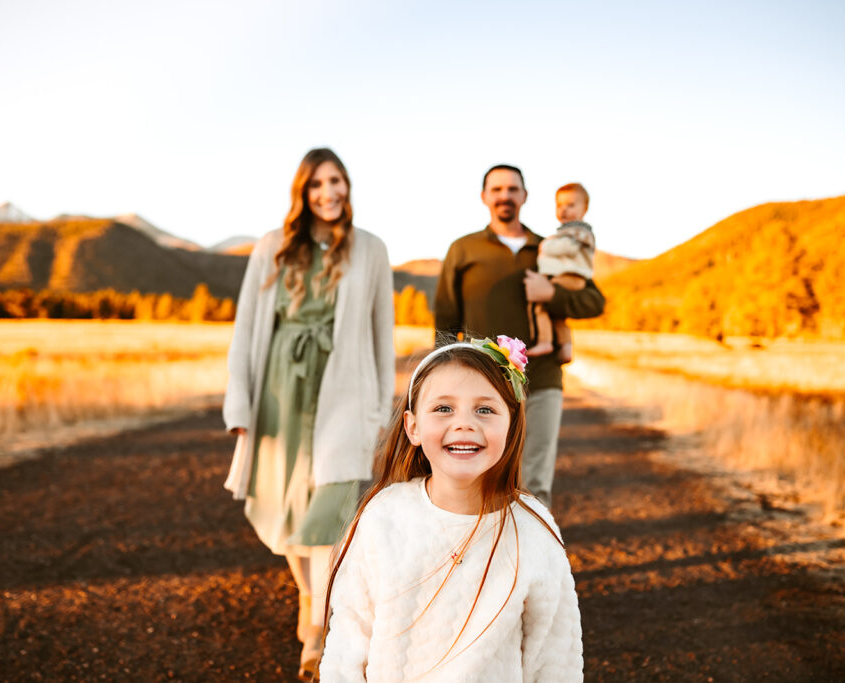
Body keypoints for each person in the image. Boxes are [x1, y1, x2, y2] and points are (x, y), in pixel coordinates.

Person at [222, 147, 395, 680]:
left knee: (329, 513)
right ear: (303, 191)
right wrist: (242, 402)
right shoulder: (272, 247)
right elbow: (248, 324)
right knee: (285, 512)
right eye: (318, 183)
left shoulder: (370, 249)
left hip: (343, 390)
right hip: (280, 392)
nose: (329, 192)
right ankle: (306, 593)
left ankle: (318, 632)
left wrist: (379, 409)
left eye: (337, 181)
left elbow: (381, 334)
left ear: (348, 187)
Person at [320, 337, 583, 681]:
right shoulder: (384, 517)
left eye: (485, 410)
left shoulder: (533, 531)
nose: (464, 423)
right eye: (444, 408)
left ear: (512, 424)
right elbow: (348, 645)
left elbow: (555, 658)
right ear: (413, 427)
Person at [435, 164, 605, 507]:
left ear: (524, 196)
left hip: (541, 382)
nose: (504, 196)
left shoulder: (550, 249)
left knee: (535, 486)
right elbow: (444, 325)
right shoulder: (463, 250)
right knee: (480, 481)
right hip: (479, 387)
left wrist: (551, 294)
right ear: (484, 197)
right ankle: (483, 558)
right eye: (496, 189)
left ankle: (532, 560)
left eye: (512, 189)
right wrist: (444, 386)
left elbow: (594, 301)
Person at [527, 183, 596, 362]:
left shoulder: (578, 231)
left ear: (584, 209)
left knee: (539, 305)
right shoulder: (570, 231)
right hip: (570, 276)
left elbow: (568, 248)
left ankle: (545, 341)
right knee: (557, 314)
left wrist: (546, 246)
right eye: (560, 205)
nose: (564, 210)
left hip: (570, 276)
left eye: (571, 205)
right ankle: (566, 347)